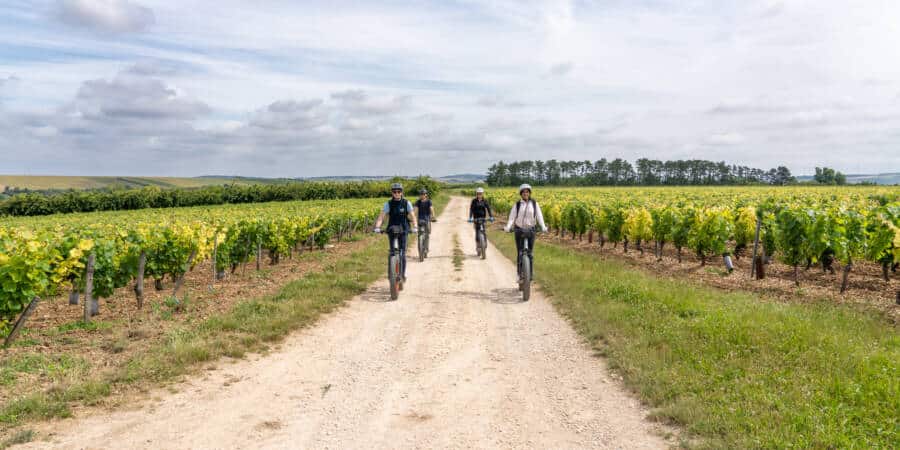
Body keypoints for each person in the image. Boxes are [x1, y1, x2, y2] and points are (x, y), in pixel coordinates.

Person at [374, 183, 418, 281]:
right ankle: (391, 272)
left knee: (402, 253)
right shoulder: (388, 204)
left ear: (402, 192)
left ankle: (402, 275)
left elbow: (412, 216)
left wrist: (415, 226)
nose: (397, 193)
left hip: (404, 229)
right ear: (392, 193)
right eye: (395, 192)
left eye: (399, 191)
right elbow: (381, 217)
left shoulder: (407, 203)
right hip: (392, 229)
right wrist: (377, 227)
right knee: (392, 252)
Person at [504, 184, 547, 282]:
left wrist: (543, 226)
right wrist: (508, 227)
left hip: (531, 230)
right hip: (519, 230)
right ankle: (519, 274)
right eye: (523, 192)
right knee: (520, 252)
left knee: (530, 253)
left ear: (530, 193)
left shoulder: (535, 204)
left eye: (527, 192)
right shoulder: (517, 205)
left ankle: (530, 275)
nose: (525, 194)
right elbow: (512, 217)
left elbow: (539, 216)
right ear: (521, 194)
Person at [467, 187, 494, 252]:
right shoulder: (474, 201)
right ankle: (477, 245)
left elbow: (488, 208)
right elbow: (471, 209)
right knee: (477, 231)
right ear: (476, 194)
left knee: (483, 231)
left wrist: (491, 216)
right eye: (478, 194)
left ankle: (484, 242)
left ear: (482, 194)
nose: (479, 195)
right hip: (476, 218)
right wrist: (470, 217)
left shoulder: (485, 201)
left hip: (483, 218)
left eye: (480, 194)